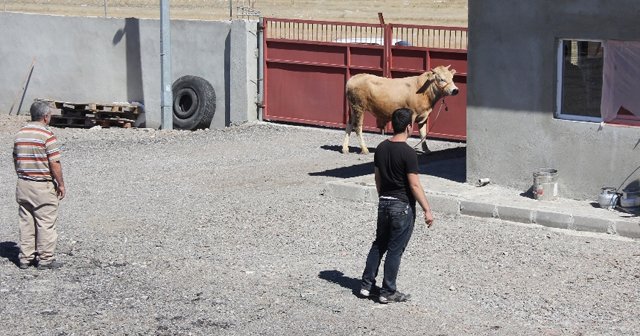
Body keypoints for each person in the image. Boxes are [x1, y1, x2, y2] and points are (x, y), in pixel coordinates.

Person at [359, 107, 434, 304]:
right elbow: (414, 184)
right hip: (401, 206)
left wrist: (383, 196)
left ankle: (366, 286)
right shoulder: (409, 153)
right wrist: (427, 209)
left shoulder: (382, 148)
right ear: (409, 126)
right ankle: (388, 291)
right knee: (395, 249)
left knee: (379, 244)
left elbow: (377, 178)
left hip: (384, 202)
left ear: (393, 124)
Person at [13, 101, 66, 270]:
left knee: (26, 221)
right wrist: (61, 184)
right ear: (45, 116)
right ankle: (45, 258)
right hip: (42, 185)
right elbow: (54, 163)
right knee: (46, 222)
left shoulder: (20, 133)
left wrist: (22, 175)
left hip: (23, 183)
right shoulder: (47, 135)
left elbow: (15, 158)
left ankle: (25, 257)